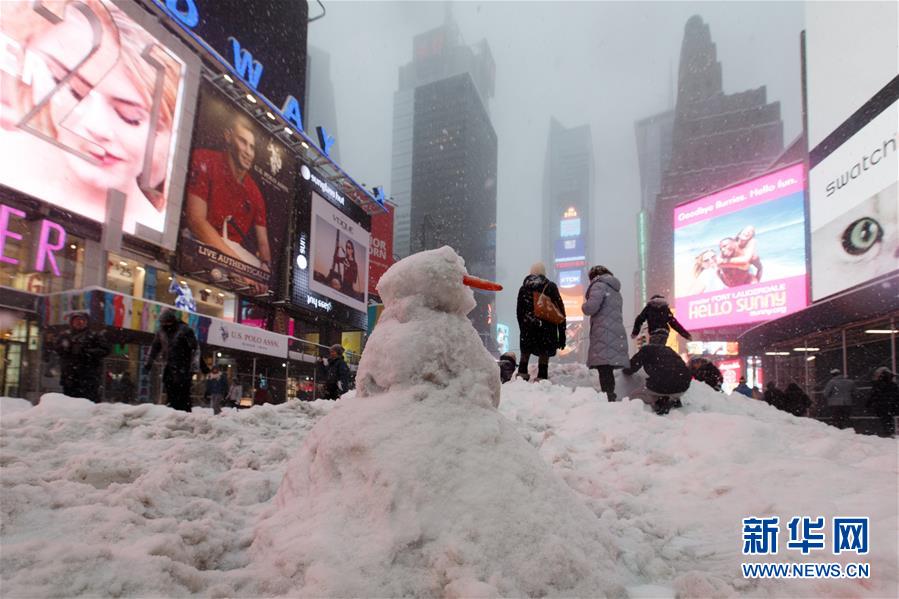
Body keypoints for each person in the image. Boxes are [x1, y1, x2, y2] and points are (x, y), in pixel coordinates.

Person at [0, 0, 182, 233]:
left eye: (130, 117)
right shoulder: (10, 158)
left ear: (166, 134)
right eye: (75, 91)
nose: (97, 128)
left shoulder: (157, 227)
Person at [184, 112, 272, 271]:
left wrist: (264, 267)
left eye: (252, 147)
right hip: (199, 242)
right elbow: (195, 221)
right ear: (228, 136)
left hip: (233, 253)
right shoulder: (204, 160)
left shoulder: (255, 193)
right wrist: (238, 267)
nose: (248, 152)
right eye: (243, 142)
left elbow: (263, 243)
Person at [582, 265, 629, 401]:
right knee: (606, 366)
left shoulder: (599, 286)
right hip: (614, 329)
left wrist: (584, 305)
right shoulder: (614, 289)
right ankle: (609, 394)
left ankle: (608, 396)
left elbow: (590, 308)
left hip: (603, 330)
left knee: (604, 366)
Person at [144, 309, 203, 412]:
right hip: (169, 367)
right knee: (171, 393)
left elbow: (195, 349)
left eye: (167, 322)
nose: (165, 325)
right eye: (163, 323)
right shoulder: (161, 332)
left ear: (172, 321)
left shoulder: (185, 330)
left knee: (183, 394)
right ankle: (173, 413)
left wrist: (196, 367)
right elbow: (154, 348)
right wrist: (148, 363)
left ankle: (184, 414)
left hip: (184, 367)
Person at [516, 262, 566, 381]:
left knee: (525, 352)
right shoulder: (550, 287)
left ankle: (522, 376)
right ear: (544, 272)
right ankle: (542, 377)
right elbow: (560, 311)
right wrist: (562, 335)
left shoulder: (523, 288)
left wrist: (523, 327)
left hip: (528, 327)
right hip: (546, 328)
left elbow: (519, 312)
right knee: (544, 353)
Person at [53, 311, 110, 402]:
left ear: (87, 322)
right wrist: (68, 349)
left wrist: (87, 352)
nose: (79, 323)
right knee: (70, 402)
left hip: (89, 378)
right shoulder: (65, 336)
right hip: (70, 377)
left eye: (82, 320)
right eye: (76, 320)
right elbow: (58, 349)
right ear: (72, 322)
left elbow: (105, 350)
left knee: (88, 401)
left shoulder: (94, 336)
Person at [622, 343, 692, 415]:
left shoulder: (645, 351)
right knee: (666, 384)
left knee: (634, 396)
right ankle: (673, 398)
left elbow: (629, 369)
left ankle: (661, 401)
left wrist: (622, 367)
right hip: (684, 384)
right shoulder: (668, 350)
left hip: (663, 383)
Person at [866, 367, 899, 437]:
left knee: (885, 419)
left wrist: (869, 403)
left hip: (882, 405)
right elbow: (896, 395)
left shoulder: (878, 385)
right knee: (889, 419)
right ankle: (890, 432)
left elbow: (874, 395)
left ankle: (887, 433)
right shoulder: (892, 385)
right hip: (890, 405)